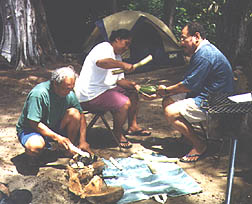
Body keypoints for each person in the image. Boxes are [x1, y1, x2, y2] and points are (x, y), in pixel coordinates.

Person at [156, 21, 234, 162]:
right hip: (205, 93)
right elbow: (189, 83)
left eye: (183, 38)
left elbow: (187, 86)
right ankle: (187, 139)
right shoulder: (201, 51)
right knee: (168, 100)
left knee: (170, 111)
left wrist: (165, 90)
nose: (181, 42)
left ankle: (199, 145)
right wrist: (165, 93)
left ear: (196, 36)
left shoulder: (205, 55)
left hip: (214, 100)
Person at [74, 29, 151, 149]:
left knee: (133, 92)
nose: (127, 48)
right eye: (126, 43)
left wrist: (133, 85)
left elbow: (119, 80)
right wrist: (123, 65)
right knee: (124, 103)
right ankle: (117, 134)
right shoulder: (104, 48)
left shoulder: (117, 57)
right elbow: (101, 63)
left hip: (104, 90)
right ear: (117, 39)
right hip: (89, 94)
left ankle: (133, 126)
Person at [16, 66, 92, 164]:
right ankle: (34, 157)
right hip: (31, 129)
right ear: (55, 84)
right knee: (35, 147)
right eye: (66, 88)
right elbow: (34, 123)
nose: (69, 92)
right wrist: (58, 138)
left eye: (71, 88)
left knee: (75, 113)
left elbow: (81, 115)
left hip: (53, 125)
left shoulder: (69, 93)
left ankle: (68, 149)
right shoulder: (39, 94)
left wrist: (82, 140)